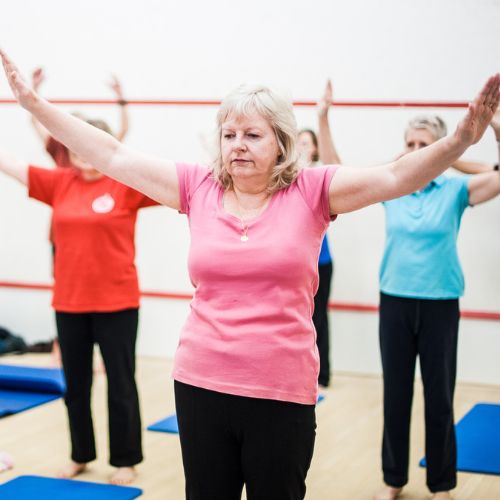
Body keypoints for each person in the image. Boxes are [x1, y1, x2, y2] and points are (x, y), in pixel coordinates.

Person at [2, 49, 498, 500]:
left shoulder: (313, 190)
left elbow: (394, 177)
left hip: (281, 391)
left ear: (281, 142)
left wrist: (459, 141)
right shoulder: (197, 187)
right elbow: (111, 154)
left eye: (253, 134)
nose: (238, 145)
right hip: (200, 384)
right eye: (229, 134)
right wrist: (34, 105)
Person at [0, 114, 158, 485]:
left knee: (121, 383)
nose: (84, 153)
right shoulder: (58, 183)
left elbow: (177, 186)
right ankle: (80, 454)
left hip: (117, 303)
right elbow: (12, 166)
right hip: (69, 304)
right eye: (78, 144)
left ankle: (125, 459)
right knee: (76, 385)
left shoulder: (126, 185)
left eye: (92, 144)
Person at [374, 110, 500, 500]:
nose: (414, 152)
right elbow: (335, 168)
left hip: (440, 304)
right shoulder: (391, 187)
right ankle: (393, 480)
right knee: (396, 396)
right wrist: (324, 118)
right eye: (409, 144)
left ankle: (441, 485)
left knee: (439, 398)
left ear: (440, 151)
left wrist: (491, 129)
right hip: (394, 302)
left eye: (423, 146)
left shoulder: (455, 191)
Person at [30, 68, 130, 369]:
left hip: (95, 241)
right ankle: (64, 346)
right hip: (62, 236)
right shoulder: (61, 158)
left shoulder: (101, 157)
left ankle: (96, 349)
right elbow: (35, 124)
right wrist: (33, 94)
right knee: (65, 291)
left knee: (93, 297)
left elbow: (120, 138)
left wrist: (121, 99)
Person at [297, 80, 340, 387]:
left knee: (318, 318)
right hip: (295, 263)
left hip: (320, 262)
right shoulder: (285, 177)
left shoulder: (318, 177)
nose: (301, 146)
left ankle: (322, 375)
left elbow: (336, 167)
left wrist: (322, 117)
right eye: (296, 141)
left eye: (306, 142)